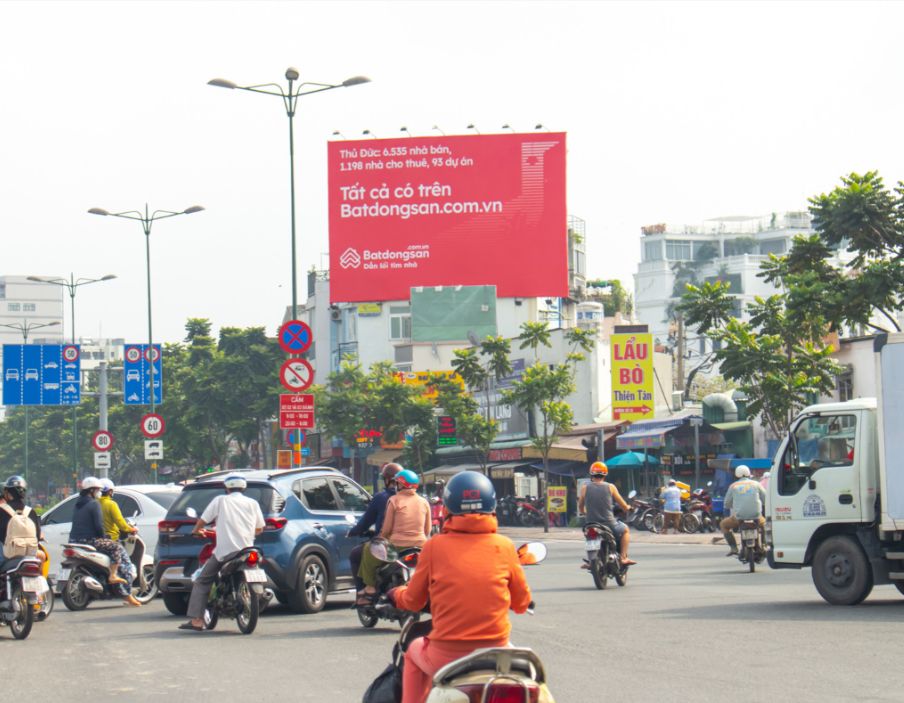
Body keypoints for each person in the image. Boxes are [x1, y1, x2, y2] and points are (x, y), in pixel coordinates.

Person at [387, 471, 532, 703]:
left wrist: (397, 594)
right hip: (496, 654)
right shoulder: (504, 546)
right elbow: (522, 604)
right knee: (533, 683)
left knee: (413, 650)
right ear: (492, 505)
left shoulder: (434, 547)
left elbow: (413, 600)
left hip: (445, 656)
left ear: (447, 508)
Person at [180, 474, 264, 631]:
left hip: (226, 552)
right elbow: (259, 528)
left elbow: (204, 519)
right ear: (244, 488)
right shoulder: (253, 503)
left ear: (227, 488)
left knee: (202, 580)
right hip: (248, 550)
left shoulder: (220, 500)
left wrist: (196, 530)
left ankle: (197, 620)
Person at [359, 468, 430, 601]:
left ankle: (370, 587)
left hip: (398, 546)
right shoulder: (424, 502)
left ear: (401, 484)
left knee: (368, 549)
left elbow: (386, 529)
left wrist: (381, 537)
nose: (395, 485)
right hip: (420, 546)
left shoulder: (394, 500)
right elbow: (427, 529)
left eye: (397, 483)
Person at [69, 477, 140, 606]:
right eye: (97, 490)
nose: (98, 492)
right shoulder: (94, 503)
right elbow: (98, 525)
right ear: (91, 490)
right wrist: (103, 537)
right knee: (117, 548)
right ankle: (114, 576)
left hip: (74, 540)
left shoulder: (78, 504)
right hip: (90, 540)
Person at [349, 462, 399, 605]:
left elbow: (370, 523)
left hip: (389, 544)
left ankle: (363, 592)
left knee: (357, 553)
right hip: (417, 544)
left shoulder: (385, 498)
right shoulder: (419, 500)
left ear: (387, 479)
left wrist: (354, 532)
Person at [578, 461, 636, 567]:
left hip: (591, 524)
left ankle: (591, 561)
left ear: (591, 473)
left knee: (590, 537)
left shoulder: (584, 488)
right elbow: (623, 505)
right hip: (609, 524)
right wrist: (628, 508)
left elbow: (580, 507)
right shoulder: (610, 487)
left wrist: (584, 512)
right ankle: (623, 557)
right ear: (605, 474)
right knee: (626, 529)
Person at [98, 478, 139, 593]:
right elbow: (120, 523)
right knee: (127, 565)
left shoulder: (94, 503)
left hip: (97, 540)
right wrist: (131, 528)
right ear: (110, 491)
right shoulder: (111, 504)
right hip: (112, 539)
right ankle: (127, 592)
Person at [720, 465, 767, 557]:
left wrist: (732, 505)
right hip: (756, 517)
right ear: (749, 473)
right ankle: (764, 545)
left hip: (739, 517)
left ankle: (733, 548)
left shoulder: (733, 486)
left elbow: (726, 504)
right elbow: (765, 499)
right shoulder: (756, 484)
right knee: (765, 525)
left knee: (723, 525)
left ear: (736, 475)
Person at [0, 475, 42, 559]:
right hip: (30, 555)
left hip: (7, 555)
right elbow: (37, 535)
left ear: (7, 492)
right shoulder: (31, 511)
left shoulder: (2, 510)